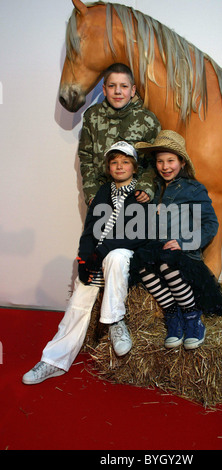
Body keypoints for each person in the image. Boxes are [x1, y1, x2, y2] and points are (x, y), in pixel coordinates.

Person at [22, 142, 148, 385]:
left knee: (117, 256)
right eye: (114, 162)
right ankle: (54, 360)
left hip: (125, 259)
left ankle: (114, 321)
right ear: (109, 167)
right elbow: (90, 231)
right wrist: (84, 258)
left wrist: (101, 252)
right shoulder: (102, 192)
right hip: (97, 256)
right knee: (80, 297)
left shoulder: (141, 195)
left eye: (125, 162)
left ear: (134, 166)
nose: (119, 166)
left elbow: (137, 235)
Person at [130, 130, 222, 350]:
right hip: (156, 248)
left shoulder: (194, 189)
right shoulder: (152, 189)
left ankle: (192, 317)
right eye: (160, 161)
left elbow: (211, 224)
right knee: (141, 265)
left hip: (183, 252)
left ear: (182, 162)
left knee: (167, 261)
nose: (165, 167)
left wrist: (184, 242)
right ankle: (173, 315)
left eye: (171, 161)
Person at [78, 62, 161, 206]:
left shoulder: (147, 119)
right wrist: (92, 193)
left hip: (136, 197)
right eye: (112, 86)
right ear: (104, 90)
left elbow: (155, 160)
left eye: (124, 86)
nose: (118, 91)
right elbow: (86, 157)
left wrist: (146, 187)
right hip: (102, 197)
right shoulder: (92, 116)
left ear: (133, 90)